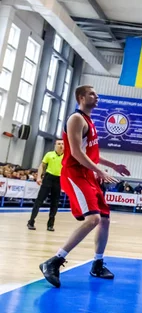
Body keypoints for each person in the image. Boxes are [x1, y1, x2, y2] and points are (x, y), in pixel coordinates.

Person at [39, 85, 130, 288]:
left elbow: (90, 153)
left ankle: (97, 263)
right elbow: (77, 155)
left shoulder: (89, 121)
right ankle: (53, 262)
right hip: (75, 174)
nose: (96, 97)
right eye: (92, 94)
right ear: (81, 97)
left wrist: (112, 165)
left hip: (88, 174)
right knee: (93, 219)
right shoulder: (76, 119)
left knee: (104, 220)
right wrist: (100, 171)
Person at [27, 139, 64, 231]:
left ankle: (50, 225)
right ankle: (31, 221)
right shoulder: (49, 154)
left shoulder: (66, 156)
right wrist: (39, 177)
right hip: (48, 178)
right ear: (55, 145)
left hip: (59, 179)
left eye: (63, 144)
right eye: (59, 144)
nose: (61, 145)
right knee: (39, 201)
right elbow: (42, 165)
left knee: (55, 203)